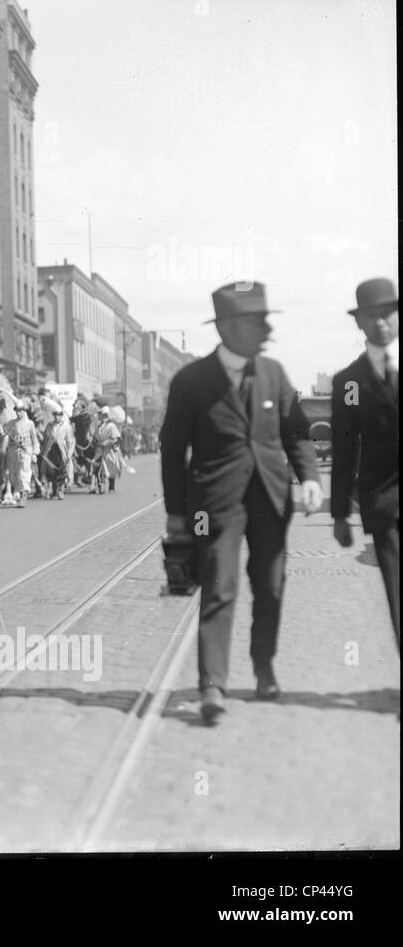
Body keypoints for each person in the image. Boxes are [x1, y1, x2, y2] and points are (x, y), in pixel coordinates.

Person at [159, 282, 321, 724]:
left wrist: (308, 477)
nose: (267, 330)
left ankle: (264, 665)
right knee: (219, 587)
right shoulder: (191, 381)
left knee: (270, 586)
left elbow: (297, 432)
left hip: (271, 497)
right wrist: (177, 512)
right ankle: (212, 683)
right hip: (213, 503)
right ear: (229, 328)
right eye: (257, 322)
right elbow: (173, 451)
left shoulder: (274, 372)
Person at [331, 277, 399, 650]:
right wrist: (340, 514)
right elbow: (343, 450)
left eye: (387, 313)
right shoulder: (349, 383)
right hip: (385, 504)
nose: (381, 323)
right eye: (371, 316)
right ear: (359, 323)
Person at [4, 397, 38, 508]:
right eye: (17, 411)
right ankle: (18, 490)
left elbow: (34, 439)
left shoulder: (30, 423)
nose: (18, 413)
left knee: (25, 473)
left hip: (26, 451)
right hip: (13, 451)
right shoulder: (11, 423)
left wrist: (34, 453)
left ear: (24, 411)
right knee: (14, 475)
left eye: (20, 410)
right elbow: (3, 433)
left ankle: (24, 494)